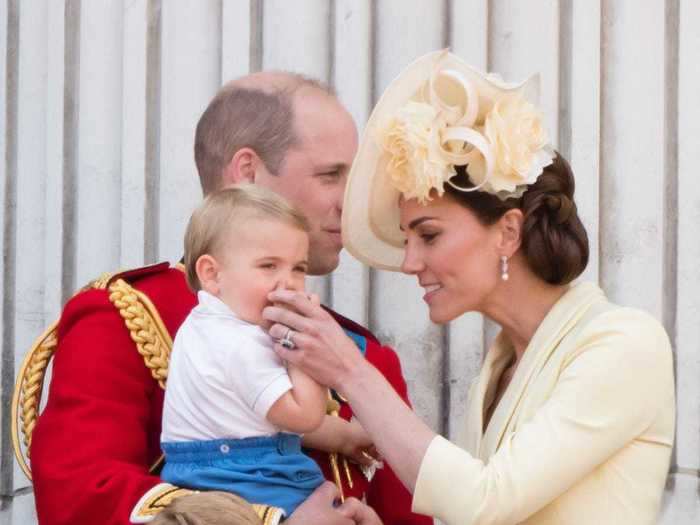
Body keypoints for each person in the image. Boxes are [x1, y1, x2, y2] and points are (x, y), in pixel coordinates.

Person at [264, 50, 676, 524]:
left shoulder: (624, 343)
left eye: (429, 235)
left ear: (507, 231)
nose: (410, 262)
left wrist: (350, 372)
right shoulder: (499, 367)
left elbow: (484, 502)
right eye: (407, 239)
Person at [31, 72, 431, 525]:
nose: (349, 203)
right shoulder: (123, 319)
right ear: (248, 174)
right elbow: (82, 499)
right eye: (330, 175)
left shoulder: (367, 356)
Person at [161, 185, 376, 516]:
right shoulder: (241, 343)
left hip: (202, 474)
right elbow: (304, 416)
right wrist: (303, 352)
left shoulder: (199, 327)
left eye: (298, 268)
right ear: (212, 274)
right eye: (268, 266)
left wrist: (346, 438)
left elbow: (252, 417)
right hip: (246, 477)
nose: (287, 282)